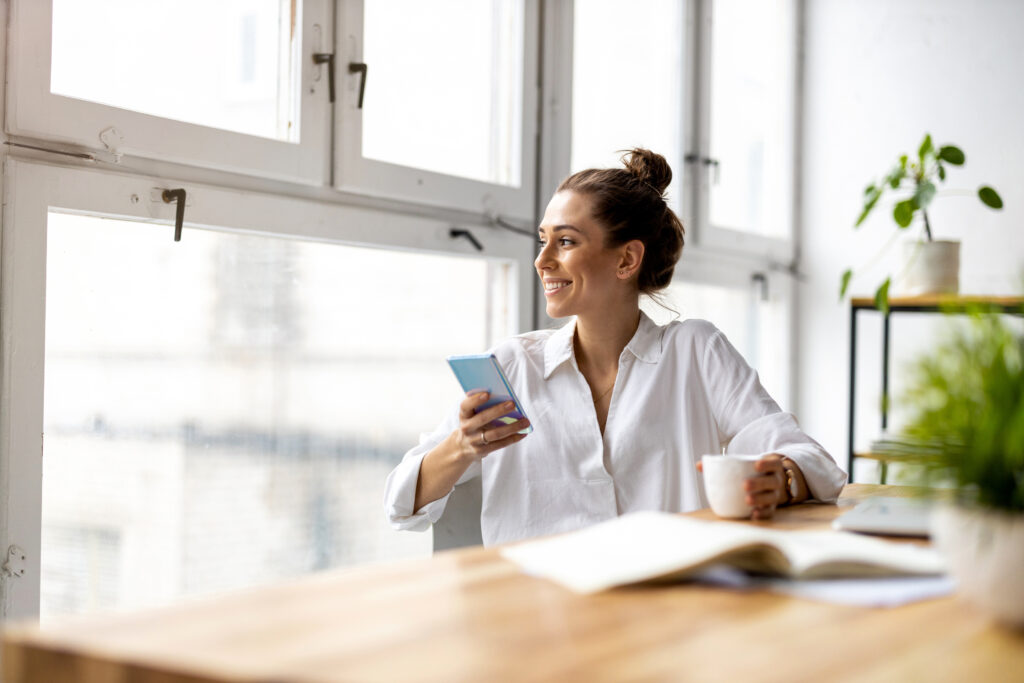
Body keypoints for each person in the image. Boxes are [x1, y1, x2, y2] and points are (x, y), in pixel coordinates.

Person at [384, 149, 847, 546]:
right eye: (543, 240)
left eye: (565, 241)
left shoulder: (695, 352)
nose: (542, 260)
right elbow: (401, 500)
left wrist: (781, 479)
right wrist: (462, 447)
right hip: (535, 617)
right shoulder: (512, 367)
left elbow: (812, 461)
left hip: (665, 607)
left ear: (627, 258)